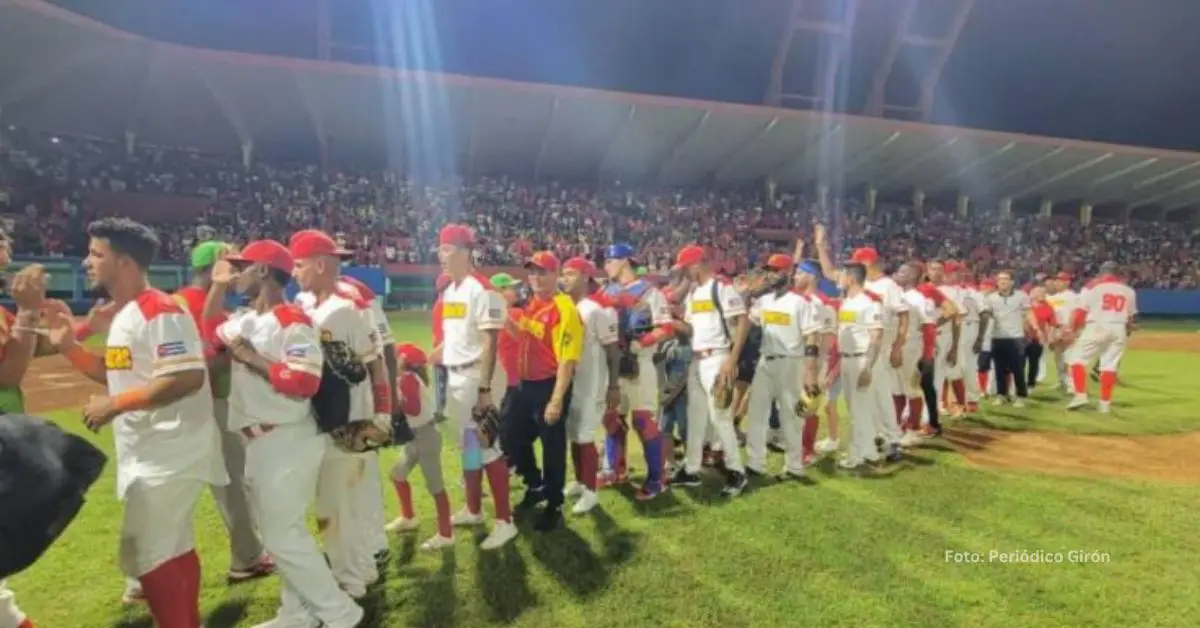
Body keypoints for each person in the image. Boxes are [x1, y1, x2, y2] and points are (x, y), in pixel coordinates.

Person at [48, 217, 227, 628]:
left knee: (146, 553)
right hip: (154, 449)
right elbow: (115, 373)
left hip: (172, 449)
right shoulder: (128, 314)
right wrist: (69, 349)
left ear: (125, 262)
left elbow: (186, 376)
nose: (86, 262)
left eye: (97, 254)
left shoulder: (159, 310)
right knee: (173, 548)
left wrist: (115, 404)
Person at [209, 240, 364, 628]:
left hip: (287, 437)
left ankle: (341, 613)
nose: (236, 273)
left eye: (242, 266)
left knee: (282, 537)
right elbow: (211, 332)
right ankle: (296, 613)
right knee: (283, 533)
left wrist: (252, 358)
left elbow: (305, 380)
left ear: (263, 271)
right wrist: (218, 287)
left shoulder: (292, 320)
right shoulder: (245, 320)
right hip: (261, 440)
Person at [289, 228, 394, 598]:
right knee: (339, 501)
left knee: (343, 501)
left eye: (299, 264)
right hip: (318, 417)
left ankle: (353, 578)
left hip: (352, 420)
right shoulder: (301, 305)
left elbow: (376, 363)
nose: (293, 272)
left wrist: (382, 413)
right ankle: (359, 568)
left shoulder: (347, 309)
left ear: (320, 265)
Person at [171, 240, 273, 591]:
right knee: (233, 482)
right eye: (231, 263)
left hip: (182, 405)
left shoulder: (179, 301)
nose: (237, 271)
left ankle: (143, 574)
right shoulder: (195, 303)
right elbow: (208, 360)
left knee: (173, 486)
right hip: (211, 401)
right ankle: (247, 557)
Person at [434, 224, 515, 550]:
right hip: (457, 374)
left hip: (478, 376)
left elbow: (490, 339)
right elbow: (457, 336)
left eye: (448, 250)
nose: (442, 256)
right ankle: (473, 508)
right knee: (468, 446)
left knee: (486, 445)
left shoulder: (481, 290)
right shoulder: (452, 291)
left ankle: (505, 521)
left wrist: (484, 388)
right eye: (440, 250)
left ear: (466, 252)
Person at [508, 251, 584, 530]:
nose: (536, 277)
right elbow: (525, 336)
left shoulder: (564, 307)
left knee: (552, 445)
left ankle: (554, 504)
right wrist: (503, 318)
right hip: (526, 384)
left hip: (550, 384)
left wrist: (556, 399)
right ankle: (535, 483)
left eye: (542, 272)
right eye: (532, 272)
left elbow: (568, 357)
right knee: (512, 435)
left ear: (555, 275)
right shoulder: (532, 304)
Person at [671, 245, 749, 496]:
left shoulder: (721, 287)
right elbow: (692, 329)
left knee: (720, 417)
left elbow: (743, 321)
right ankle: (691, 468)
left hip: (718, 357)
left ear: (696, 265)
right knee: (697, 418)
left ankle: (737, 470)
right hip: (698, 358)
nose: (685, 274)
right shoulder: (695, 293)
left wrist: (731, 360)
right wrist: (672, 322)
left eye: (686, 269)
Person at [601, 243, 674, 499]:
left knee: (643, 421)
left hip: (640, 363)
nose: (606, 265)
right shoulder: (606, 290)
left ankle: (657, 478)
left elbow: (665, 327)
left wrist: (642, 342)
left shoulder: (649, 292)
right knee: (611, 419)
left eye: (610, 260)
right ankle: (616, 470)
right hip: (613, 365)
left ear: (625, 261)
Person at [743, 253, 823, 479]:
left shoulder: (801, 302)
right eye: (768, 270)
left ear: (788, 273)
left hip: (791, 362)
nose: (770, 274)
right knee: (757, 413)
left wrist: (810, 373)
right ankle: (755, 463)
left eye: (775, 270)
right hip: (765, 360)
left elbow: (811, 339)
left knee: (791, 415)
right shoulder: (764, 300)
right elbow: (748, 323)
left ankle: (794, 466)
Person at [560, 257, 620, 514]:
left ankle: (591, 490)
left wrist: (613, 386)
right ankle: (579, 480)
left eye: (571, 274)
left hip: (592, 381)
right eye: (563, 273)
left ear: (585, 277)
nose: (565, 278)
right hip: (572, 379)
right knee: (573, 433)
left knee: (585, 436)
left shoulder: (596, 309)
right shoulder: (565, 306)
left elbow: (613, 350)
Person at [386, 343, 455, 551]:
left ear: (403, 361)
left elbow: (414, 409)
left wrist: (394, 402)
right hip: (416, 436)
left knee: (435, 486)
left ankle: (445, 534)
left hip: (425, 436)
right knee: (397, 474)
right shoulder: (407, 378)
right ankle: (408, 517)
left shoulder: (407, 379)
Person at [1064, 262, 1137, 413]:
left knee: (1076, 359)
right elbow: (1130, 317)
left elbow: (1080, 311)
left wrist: (1072, 329)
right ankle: (1105, 404)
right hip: (1118, 328)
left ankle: (1080, 395)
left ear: (1102, 272)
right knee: (1109, 366)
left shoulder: (1094, 287)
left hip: (1097, 325)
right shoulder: (1128, 291)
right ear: (1118, 274)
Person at [834, 262, 886, 469]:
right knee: (856, 408)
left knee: (859, 409)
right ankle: (869, 451)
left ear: (852, 278)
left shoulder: (868, 303)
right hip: (846, 358)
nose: (839, 279)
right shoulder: (848, 302)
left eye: (842, 275)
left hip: (860, 359)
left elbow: (876, 335)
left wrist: (868, 367)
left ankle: (856, 455)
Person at [980, 270, 1040, 407]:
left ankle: (1020, 396)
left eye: (1006, 279)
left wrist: (1036, 328)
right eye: (1000, 279)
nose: (1002, 281)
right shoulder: (991, 298)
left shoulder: (1021, 296)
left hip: (1016, 337)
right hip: (997, 336)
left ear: (1012, 281)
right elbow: (986, 313)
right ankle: (1002, 395)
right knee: (999, 369)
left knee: (1018, 369)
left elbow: (1028, 313)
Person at [1045, 272, 1078, 393]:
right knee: (1058, 357)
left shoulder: (1073, 296)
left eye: (1060, 280)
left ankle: (1072, 385)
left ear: (1067, 282)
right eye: (1056, 280)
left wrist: (1071, 329)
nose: (1056, 283)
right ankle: (1061, 381)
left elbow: (1076, 314)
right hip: (1054, 328)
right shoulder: (1051, 297)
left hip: (1067, 328)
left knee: (1070, 358)